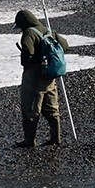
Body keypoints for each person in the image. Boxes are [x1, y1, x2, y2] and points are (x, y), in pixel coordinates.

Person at [13, 9, 68, 148]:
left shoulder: (29, 34)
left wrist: (27, 60)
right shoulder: (47, 30)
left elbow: (27, 55)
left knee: (30, 109)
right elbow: (65, 45)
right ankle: (56, 138)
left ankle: (29, 140)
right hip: (50, 77)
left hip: (34, 78)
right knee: (51, 109)